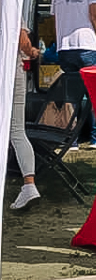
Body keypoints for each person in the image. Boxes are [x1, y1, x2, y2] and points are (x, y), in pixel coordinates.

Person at [51, 0, 96, 147]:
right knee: (95, 93)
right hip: (87, 45)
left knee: (71, 95)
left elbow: (54, 18)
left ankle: (71, 139)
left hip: (65, 46)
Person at [8, 28, 41, 210]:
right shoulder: (10, 1)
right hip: (12, 71)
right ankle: (29, 183)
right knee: (17, 131)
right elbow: (23, 41)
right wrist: (33, 52)